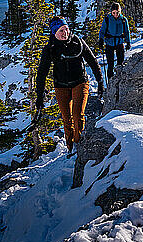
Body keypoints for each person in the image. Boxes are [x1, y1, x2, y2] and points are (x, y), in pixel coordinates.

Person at [35, 16, 104, 153]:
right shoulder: (50, 49)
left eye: (66, 29)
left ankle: (78, 142)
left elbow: (92, 61)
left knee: (78, 115)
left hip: (80, 82)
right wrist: (39, 95)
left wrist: (100, 82)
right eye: (61, 31)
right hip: (61, 86)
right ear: (54, 32)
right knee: (67, 119)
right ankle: (70, 147)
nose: (65, 33)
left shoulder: (78, 42)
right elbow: (42, 72)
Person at [98, 3, 131, 80]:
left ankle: (120, 79)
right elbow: (102, 31)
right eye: (114, 12)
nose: (116, 14)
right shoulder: (107, 19)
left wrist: (128, 42)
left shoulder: (123, 19)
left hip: (119, 42)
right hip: (109, 43)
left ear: (120, 12)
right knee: (110, 64)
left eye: (117, 12)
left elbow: (127, 31)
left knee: (120, 63)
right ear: (111, 12)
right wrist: (101, 40)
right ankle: (110, 81)